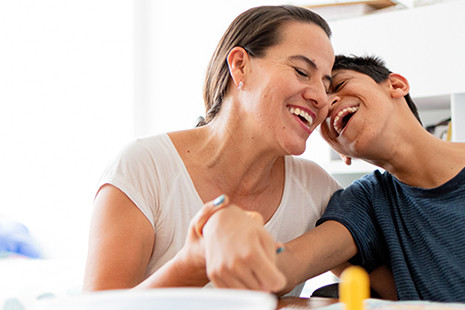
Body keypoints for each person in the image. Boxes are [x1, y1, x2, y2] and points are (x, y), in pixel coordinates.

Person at [82, 5, 341, 296]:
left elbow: (386, 278)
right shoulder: (143, 167)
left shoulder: (317, 190)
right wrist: (192, 265)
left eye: (327, 85)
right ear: (241, 66)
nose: (320, 97)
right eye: (302, 71)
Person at [202, 55, 465, 302]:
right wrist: (225, 233)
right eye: (323, 116)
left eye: (338, 85)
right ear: (342, 153)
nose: (329, 105)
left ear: (396, 85)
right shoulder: (366, 202)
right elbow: (284, 266)